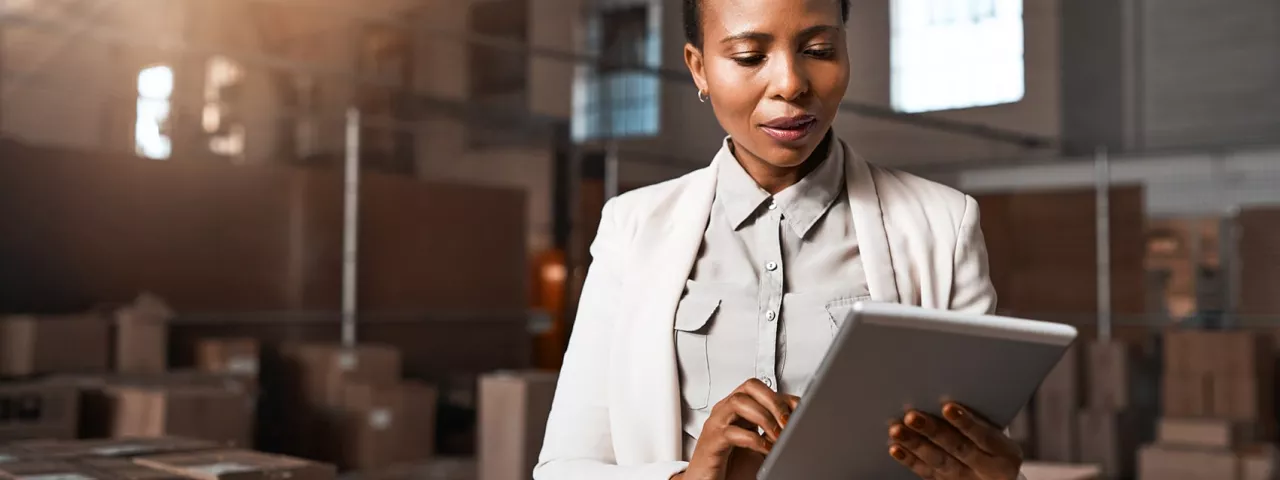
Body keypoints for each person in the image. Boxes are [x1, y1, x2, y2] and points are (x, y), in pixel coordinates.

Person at [534, 0, 1027, 478]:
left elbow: (972, 453)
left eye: (818, 50)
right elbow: (565, 467)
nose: (791, 84)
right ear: (699, 68)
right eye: (749, 56)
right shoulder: (632, 227)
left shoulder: (942, 225)